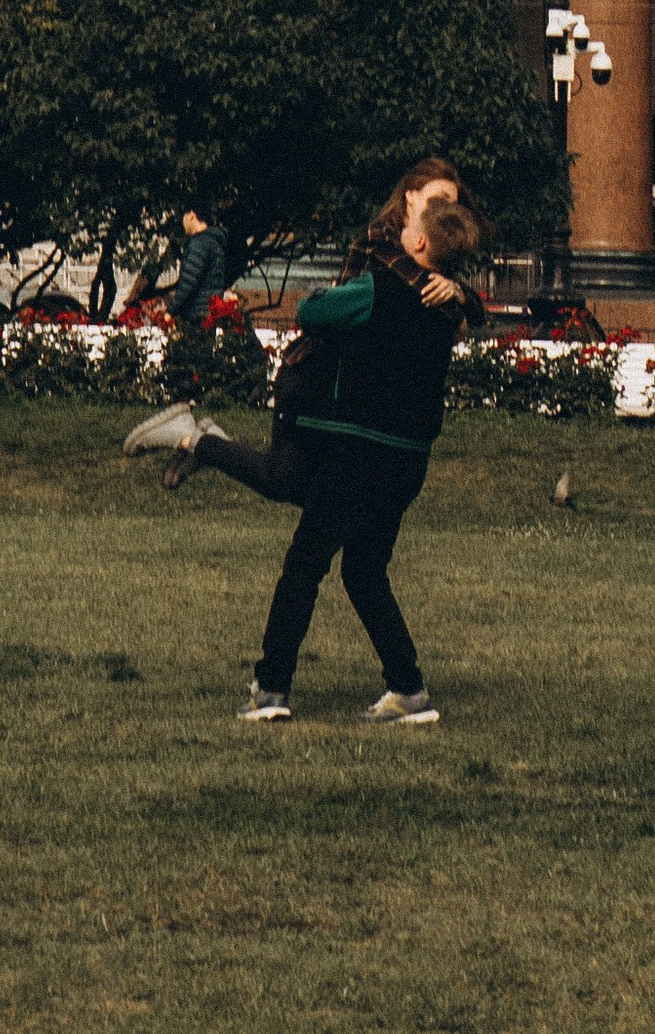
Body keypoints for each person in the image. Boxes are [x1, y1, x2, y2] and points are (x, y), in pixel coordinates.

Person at [124, 164, 481, 725]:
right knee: (364, 569)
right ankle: (409, 692)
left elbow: (316, 311)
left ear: (418, 240)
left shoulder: (382, 284)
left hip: (353, 448)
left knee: (303, 565)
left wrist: (340, 303)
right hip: (406, 458)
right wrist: (455, 289)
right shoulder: (449, 307)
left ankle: (271, 690)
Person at [163, 205, 228, 328]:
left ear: (192, 215)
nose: (183, 222)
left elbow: (188, 283)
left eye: (184, 217)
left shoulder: (199, 244)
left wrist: (171, 311)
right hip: (210, 314)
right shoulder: (215, 243)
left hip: (195, 316)